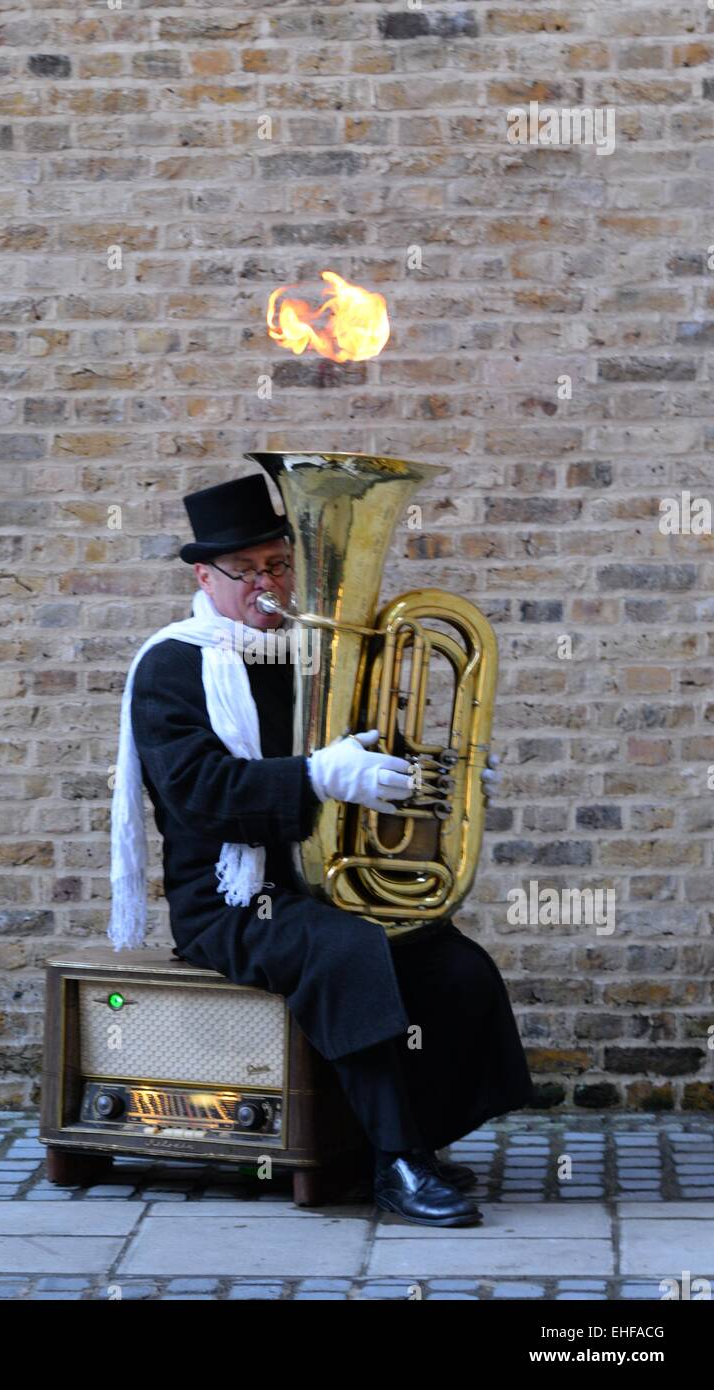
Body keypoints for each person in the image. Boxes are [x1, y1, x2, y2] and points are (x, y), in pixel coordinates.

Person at [109, 473, 535, 1227]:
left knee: (456, 967)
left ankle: (409, 1140)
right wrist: (317, 774)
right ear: (205, 576)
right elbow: (198, 792)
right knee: (347, 953)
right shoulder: (174, 666)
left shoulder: (310, 650)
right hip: (233, 898)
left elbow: (371, 750)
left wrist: (441, 781)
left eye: (279, 564)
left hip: (325, 884)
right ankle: (397, 1167)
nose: (270, 585)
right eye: (249, 571)